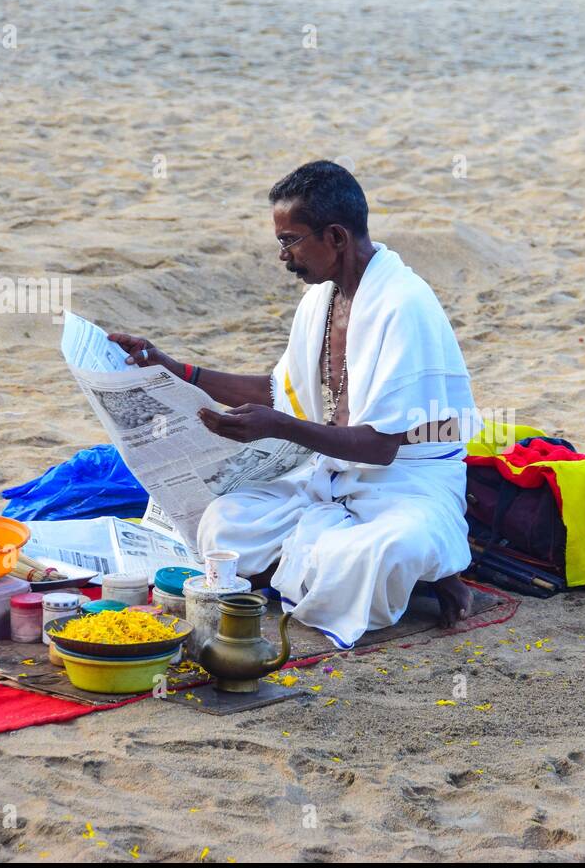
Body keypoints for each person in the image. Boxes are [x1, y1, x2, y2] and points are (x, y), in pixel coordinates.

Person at [108, 161, 475, 647]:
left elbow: (381, 448)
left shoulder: (403, 305)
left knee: (390, 549)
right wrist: (176, 369)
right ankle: (338, 567)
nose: (283, 256)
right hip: (329, 476)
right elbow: (282, 391)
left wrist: (279, 427)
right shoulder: (321, 300)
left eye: (290, 240)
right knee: (224, 523)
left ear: (336, 237)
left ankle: (433, 571)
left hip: (405, 485)